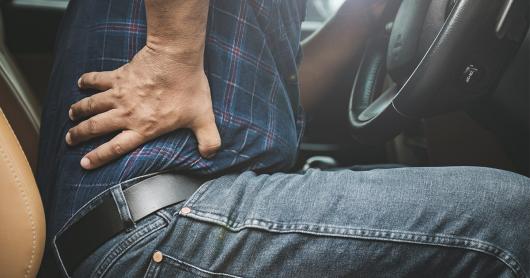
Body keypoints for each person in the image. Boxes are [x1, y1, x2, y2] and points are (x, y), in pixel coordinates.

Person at [37, 0, 530, 277]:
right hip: (154, 226)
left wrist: (362, 18)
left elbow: (286, 90)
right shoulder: (176, 27)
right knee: (513, 220)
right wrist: (171, 55)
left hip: (196, 208)